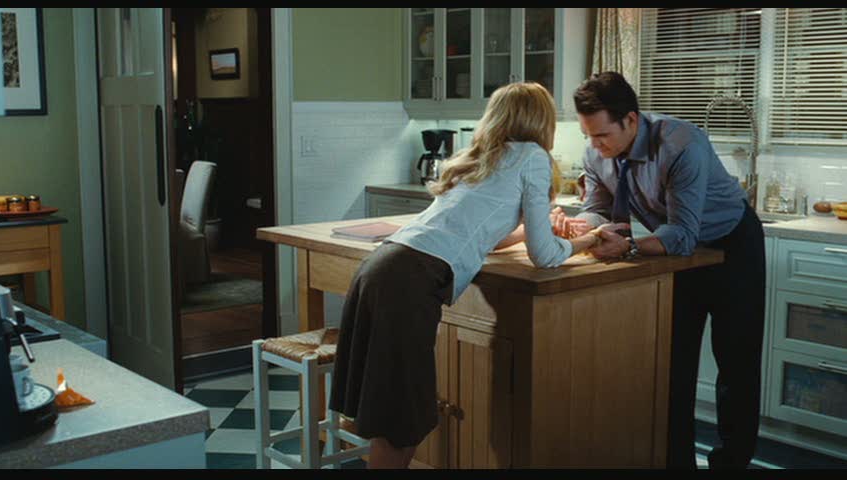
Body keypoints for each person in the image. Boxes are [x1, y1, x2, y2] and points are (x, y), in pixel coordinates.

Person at [328, 82, 623, 469]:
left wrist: (542, 230)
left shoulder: (480, 156)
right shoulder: (532, 156)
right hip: (409, 282)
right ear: (542, 120)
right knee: (400, 426)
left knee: (390, 417)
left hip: (381, 268)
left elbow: (485, 235)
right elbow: (545, 258)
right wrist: (591, 238)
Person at [568, 71, 766, 469]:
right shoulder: (596, 153)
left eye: (601, 135)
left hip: (732, 243)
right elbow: (598, 207)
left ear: (631, 120)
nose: (594, 145)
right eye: (588, 135)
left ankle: (731, 464)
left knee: (736, 362)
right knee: (673, 363)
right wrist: (580, 227)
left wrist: (627, 247)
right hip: (677, 250)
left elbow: (684, 231)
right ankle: (677, 463)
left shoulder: (680, 144)